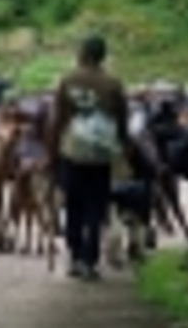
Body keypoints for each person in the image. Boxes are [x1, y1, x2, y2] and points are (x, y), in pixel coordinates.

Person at [48, 34, 132, 281]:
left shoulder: (68, 80)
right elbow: (122, 119)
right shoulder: (113, 83)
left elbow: (59, 118)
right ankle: (90, 260)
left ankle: (75, 257)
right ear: (102, 56)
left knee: (73, 205)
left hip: (73, 150)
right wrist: (124, 146)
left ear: (83, 53)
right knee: (96, 208)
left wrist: (52, 149)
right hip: (101, 153)